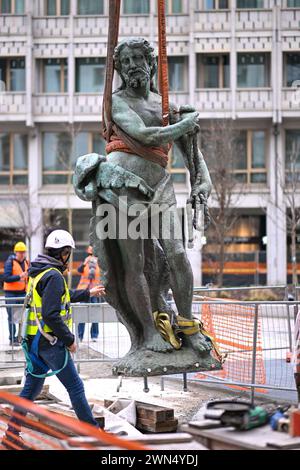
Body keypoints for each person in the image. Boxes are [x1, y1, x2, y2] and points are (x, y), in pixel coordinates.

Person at [74, 38, 214, 373]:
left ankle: (187, 325)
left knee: (177, 254)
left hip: (161, 187)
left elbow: (197, 163)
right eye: (127, 60)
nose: (135, 64)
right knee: (132, 264)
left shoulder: (167, 106)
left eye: (140, 58)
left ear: (151, 64)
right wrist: (184, 123)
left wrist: (203, 185)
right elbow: (146, 135)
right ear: (119, 69)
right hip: (121, 190)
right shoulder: (115, 102)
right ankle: (149, 332)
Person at [2, 230, 105, 450]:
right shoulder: (54, 276)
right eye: (69, 252)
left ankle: (11, 436)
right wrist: (69, 340)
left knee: (29, 392)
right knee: (75, 387)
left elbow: (62, 297)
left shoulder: (39, 272)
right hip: (50, 342)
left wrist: (88, 293)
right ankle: (94, 434)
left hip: (34, 343)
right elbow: (51, 313)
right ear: (64, 252)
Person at [3, 242, 29, 346]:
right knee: (12, 317)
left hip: (23, 293)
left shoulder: (27, 262)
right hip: (11, 294)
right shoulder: (10, 262)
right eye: (20, 252)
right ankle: (12, 339)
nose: (22, 254)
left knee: (21, 317)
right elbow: (6, 278)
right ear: (15, 252)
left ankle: (20, 337)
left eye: (23, 252)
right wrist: (19, 277)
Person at [77, 246, 103, 342]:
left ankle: (94, 335)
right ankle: (80, 335)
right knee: (82, 314)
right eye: (89, 255)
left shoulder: (99, 264)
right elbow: (79, 270)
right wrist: (84, 263)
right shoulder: (85, 263)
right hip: (84, 291)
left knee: (95, 314)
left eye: (92, 255)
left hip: (95, 292)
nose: (91, 257)